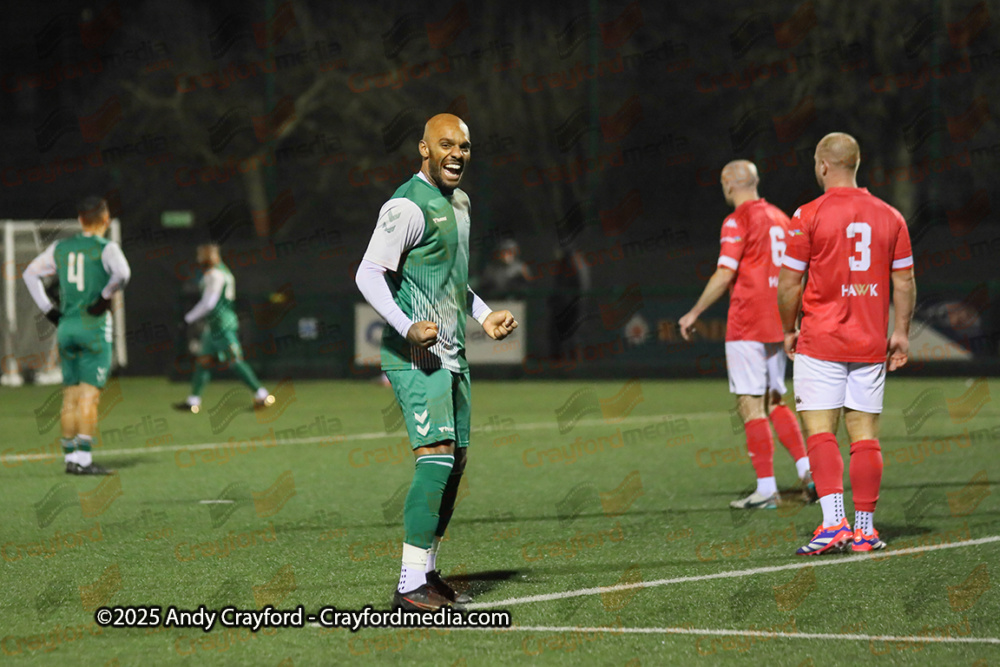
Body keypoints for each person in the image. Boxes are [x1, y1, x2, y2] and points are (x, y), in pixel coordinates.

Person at [355, 113, 517, 611]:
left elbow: (451, 279)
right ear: (423, 150)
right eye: (446, 144)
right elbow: (367, 273)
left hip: (452, 354)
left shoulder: (462, 203)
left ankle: (427, 571)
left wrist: (484, 316)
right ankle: (408, 584)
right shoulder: (405, 205)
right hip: (414, 355)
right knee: (437, 456)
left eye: (464, 146)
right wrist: (406, 326)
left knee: (457, 461)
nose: (456, 154)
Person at [778, 133, 916, 555]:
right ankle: (866, 530)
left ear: (822, 165)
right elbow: (904, 281)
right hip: (870, 340)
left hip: (821, 339)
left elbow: (789, 283)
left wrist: (789, 328)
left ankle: (833, 523)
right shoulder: (891, 216)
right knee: (865, 435)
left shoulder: (807, 214)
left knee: (820, 432)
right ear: (856, 164)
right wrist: (901, 332)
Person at [679, 160, 813, 509]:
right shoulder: (783, 218)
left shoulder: (737, 220)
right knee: (775, 400)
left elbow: (725, 273)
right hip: (778, 321)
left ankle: (766, 489)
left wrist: (694, 312)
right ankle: (808, 470)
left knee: (750, 405)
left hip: (748, 323)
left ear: (727, 185)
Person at [23, 196, 131, 475]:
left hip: (66, 327)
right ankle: (84, 460)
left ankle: (70, 459)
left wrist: (49, 310)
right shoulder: (106, 248)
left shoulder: (61, 247)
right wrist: (105, 296)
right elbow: (123, 273)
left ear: (81, 220)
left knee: (69, 397)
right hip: (93, 327)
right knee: (88, 397)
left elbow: (29, 274)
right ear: (106, 220)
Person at [173, 244, 274, 413]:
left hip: (222, 324)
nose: (199, 260)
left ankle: (262, 394)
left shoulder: (215, 274)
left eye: (202, 256)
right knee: (203, 361)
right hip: (214, 325)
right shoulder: (222, 272)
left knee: (235, 360)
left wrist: (187, 319)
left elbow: (209, 303)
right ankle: (193, 401)